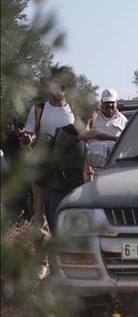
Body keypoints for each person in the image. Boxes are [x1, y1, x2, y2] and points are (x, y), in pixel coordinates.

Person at [18, 66, 77, 229]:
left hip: (71, 171)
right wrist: (26, 140)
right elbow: (27, 137)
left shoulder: (74, 110)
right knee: (40, 217)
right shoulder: (38, 110)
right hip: (44, 172)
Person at [85, 88, 128, 181]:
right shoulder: (93, 117)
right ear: (101, 102)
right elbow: (85, 138)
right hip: (95, 171)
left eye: (112, 102)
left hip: (116, 169)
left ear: (116, 102)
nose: (110, 105)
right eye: (107, 102)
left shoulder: (123, 120)